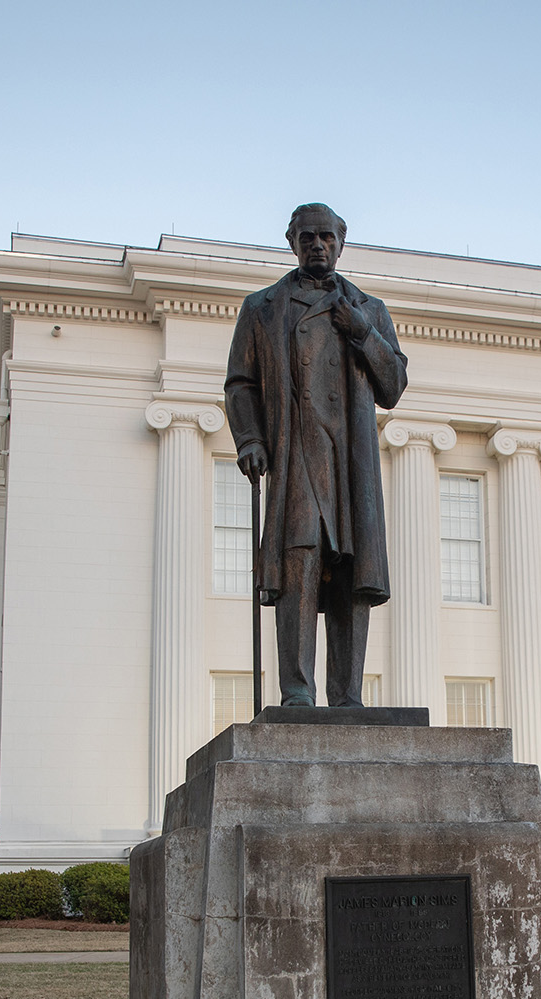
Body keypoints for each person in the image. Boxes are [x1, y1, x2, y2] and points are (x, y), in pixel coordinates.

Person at [224, 203, 408, 707]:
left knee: (350, 573)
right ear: (292, 242)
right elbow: (240, 384)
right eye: (307, 238)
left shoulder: (369, 310)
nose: (318, 245)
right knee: (299, 563)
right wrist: (251, 439)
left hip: (350, 464)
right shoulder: (261, 309)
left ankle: (347, 696)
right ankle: (298, 693)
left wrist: (361, 333)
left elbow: (393, 385)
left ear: (341, 242)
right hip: (296, 456)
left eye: (326, 237)